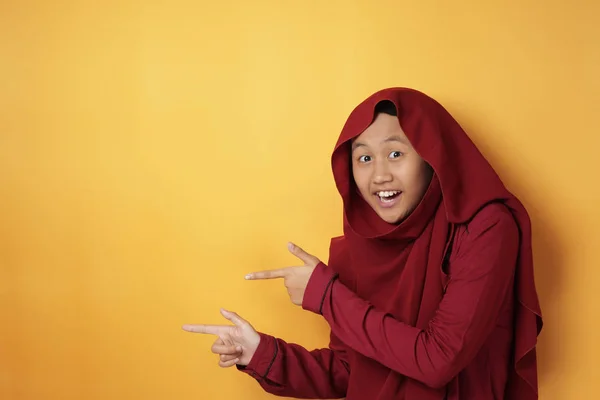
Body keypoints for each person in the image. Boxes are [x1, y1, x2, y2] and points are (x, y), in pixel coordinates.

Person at [183, 88, 543, 399]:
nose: (380, 175)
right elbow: (350, 371)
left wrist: (328, 296)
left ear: (433, 158)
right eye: (364, 158)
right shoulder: (356, 247)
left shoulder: (486, 227)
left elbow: (439, 360)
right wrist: (261, 353)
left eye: (396, 153)